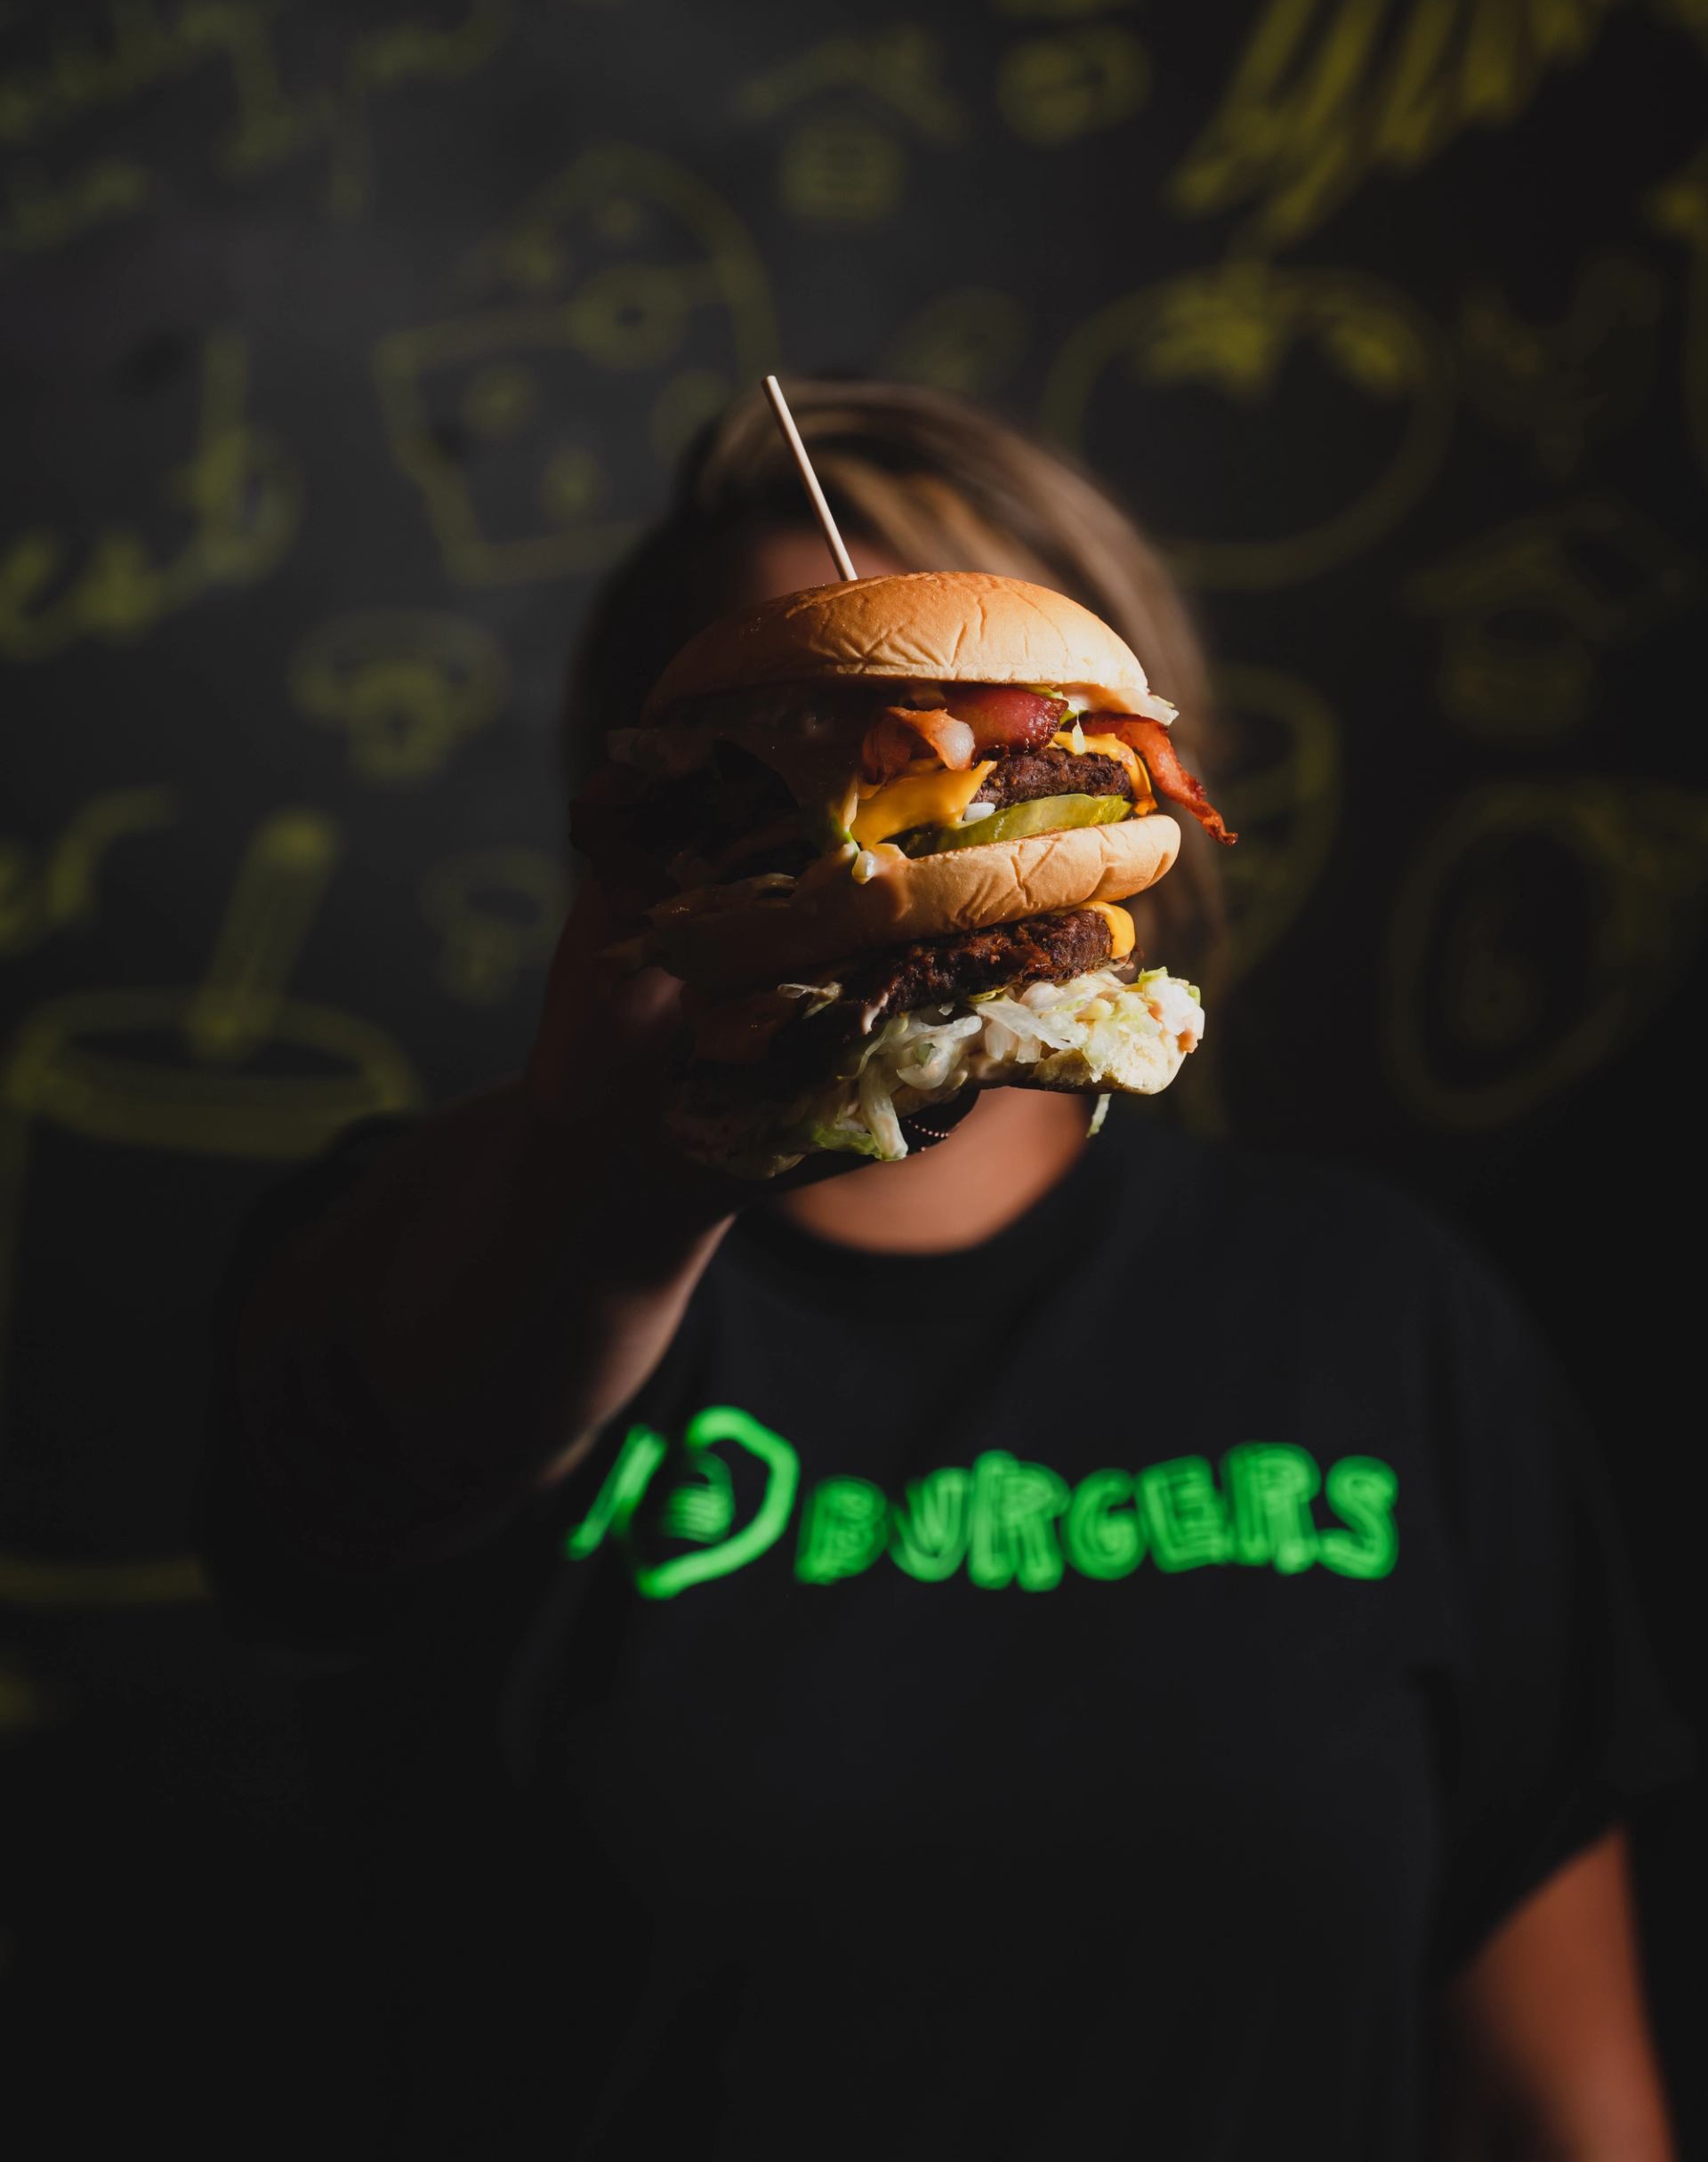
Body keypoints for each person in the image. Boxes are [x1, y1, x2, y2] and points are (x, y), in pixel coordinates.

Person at [201, 380, 1683, 2161]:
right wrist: (626, 1174)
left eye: (947, 734)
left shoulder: (1384, 1312)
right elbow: (364, 1466)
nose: (898, 770)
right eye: (800, 727)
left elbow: (1564, 2092)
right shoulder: (487, 1236)